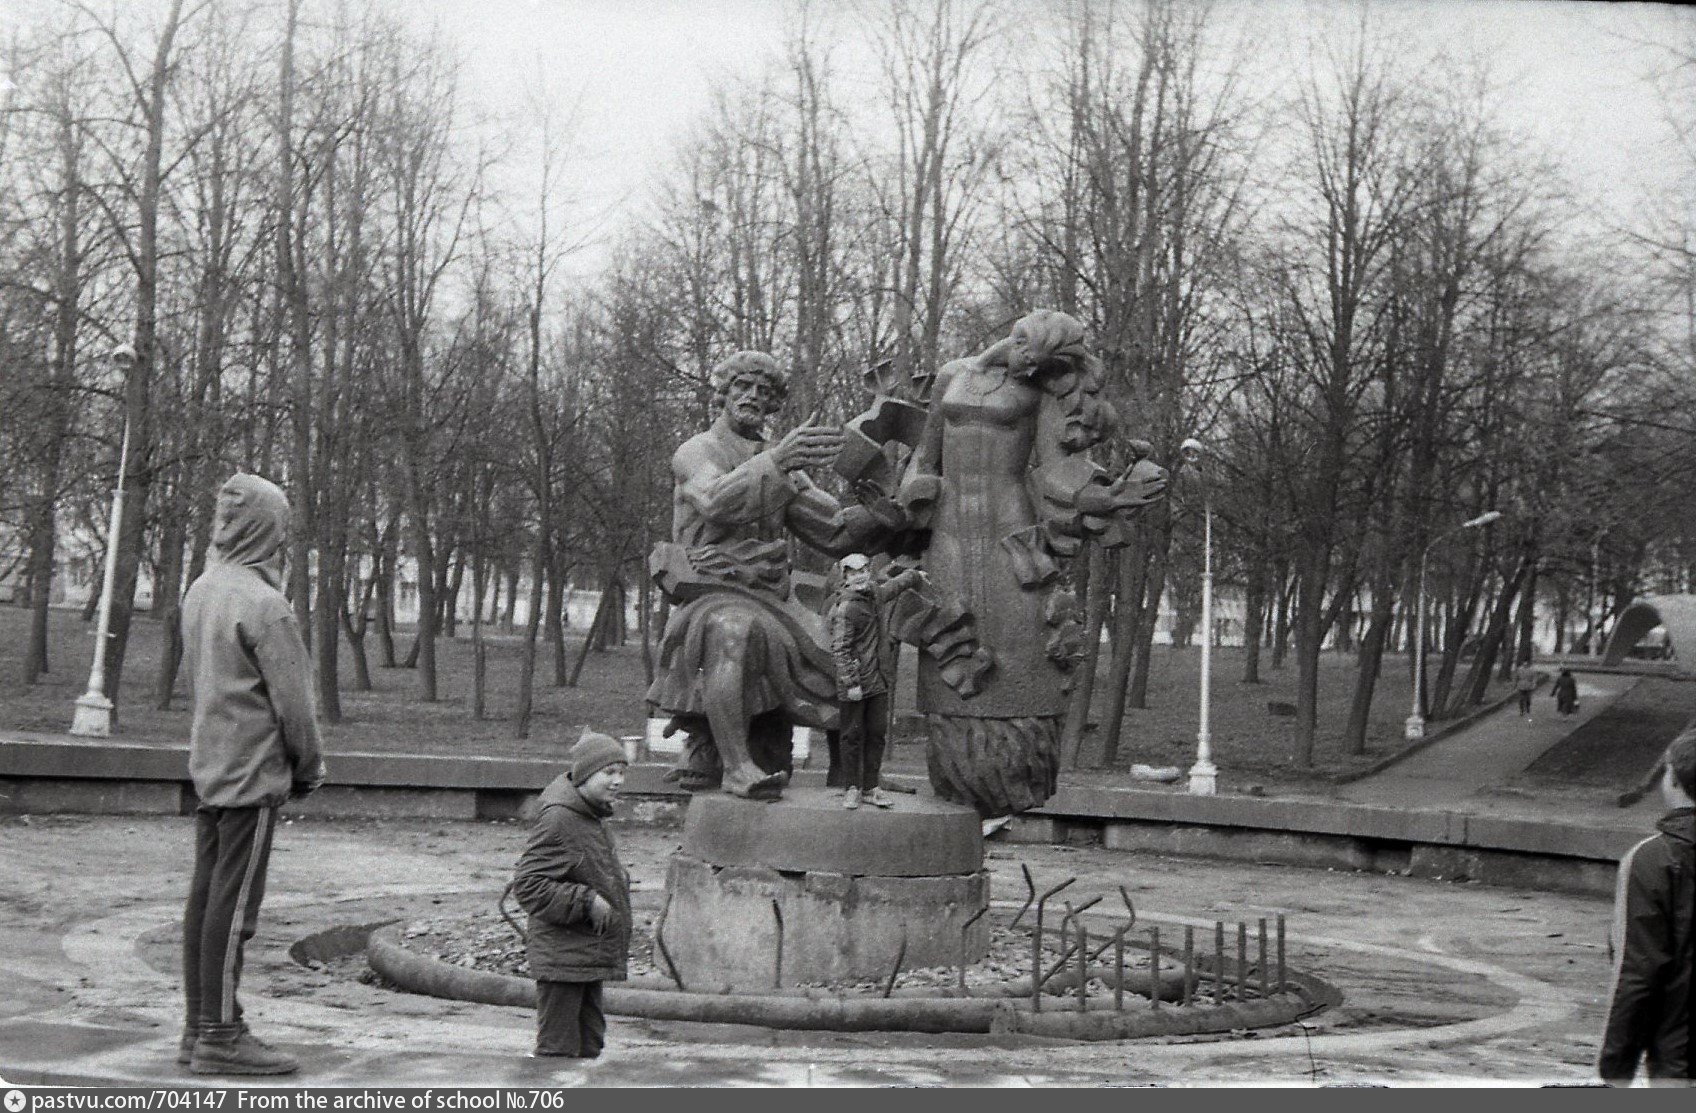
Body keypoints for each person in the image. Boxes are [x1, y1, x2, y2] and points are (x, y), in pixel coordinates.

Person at [897, 310, 1167, 817]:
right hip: (948, 534)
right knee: (949, 641)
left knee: (1017, 647)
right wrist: (914, 486)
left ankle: (1009, 772)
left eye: (1041, 361)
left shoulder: (1040, 394)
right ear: (1015, 336)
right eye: (1024, 347)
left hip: (1011, 530)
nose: (1026, 362)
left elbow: (1058, 469)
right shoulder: (952, 375)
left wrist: (1110, 499)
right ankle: (956, 771)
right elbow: (925, 454)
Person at [646, 351, 904, 799]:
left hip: (772, 596)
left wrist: (881, 515)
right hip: (711, 589)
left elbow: (834, 530)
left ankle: (854, 779)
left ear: (772, 406)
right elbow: (714, 501)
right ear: (724, 393)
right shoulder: (697, 450)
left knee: (848, 654)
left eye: (764, 392)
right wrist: (779, 462)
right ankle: (736, 768)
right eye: (743, 386)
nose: (752, 397)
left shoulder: (781, 461)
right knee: (735, 630)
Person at [179, 473, 325, 1076]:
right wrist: (309, 767)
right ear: (267, 529)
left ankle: (197, 1028)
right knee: (235, 910)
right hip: (252, 776)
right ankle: (220, 1034)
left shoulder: (203, 588)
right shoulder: (265, 605)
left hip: (211, 769)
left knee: (206, 900)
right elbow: (296, 706)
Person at [511, 731, 632, 1059]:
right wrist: (585, 900)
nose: (618, 780)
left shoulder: (591, 815)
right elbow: (529, 885)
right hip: (563, 958)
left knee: (589, 1046)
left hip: (583, 955)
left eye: (622, 772)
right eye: (609, 773)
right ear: (584, 775)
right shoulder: (560, 818)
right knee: (558, 1054)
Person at [1598, 729, 1694, 1085]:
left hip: (1679, 1062)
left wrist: (1616, 1069)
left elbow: (1638, 972)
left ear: (1673, 780)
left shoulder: (1651, 859)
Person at [829, 554, 925, 809]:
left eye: (863, 571)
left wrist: (914, 576)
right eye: (852, 573)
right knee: (851, 736)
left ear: (868, 572)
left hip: (878, 680)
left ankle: (871, 788)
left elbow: (891, 588)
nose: (859, 576)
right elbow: (840, 649)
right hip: (855, 684)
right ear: (845, 578)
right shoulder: (846, 608)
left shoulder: (873, 595)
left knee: (876, 734)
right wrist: (851, 684)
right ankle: (852, 788)